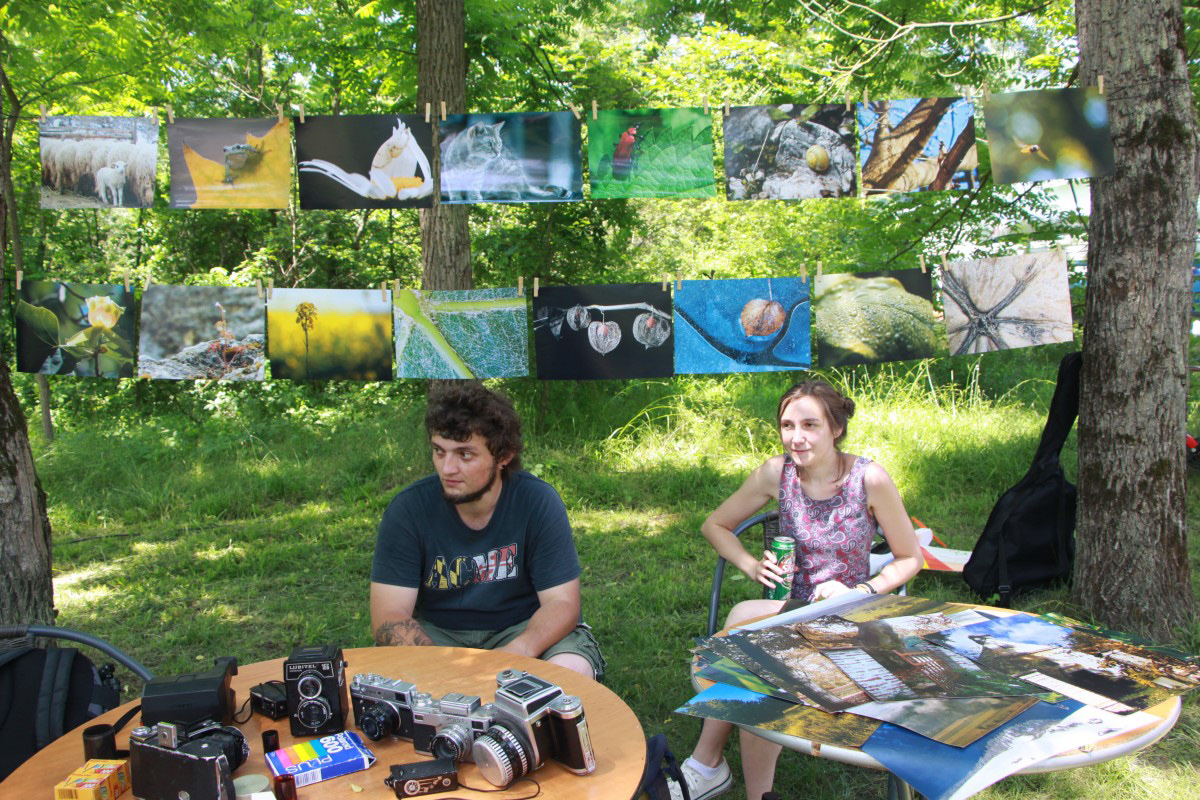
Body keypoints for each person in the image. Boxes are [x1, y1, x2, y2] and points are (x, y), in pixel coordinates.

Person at [672, 380, 921, 800]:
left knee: (748, 636)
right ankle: (720, 772)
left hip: (850, 617)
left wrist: (861, 589)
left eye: (810, 425)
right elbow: (715, 525)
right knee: (756, 651)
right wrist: (752, 564)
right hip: (792, 610)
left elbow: (910, 557)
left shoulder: (869, 479)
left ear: (836, 428)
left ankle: (707, 764)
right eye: (787, 426)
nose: (796, 437)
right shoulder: (778, 473)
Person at [369, 382, 604, 680]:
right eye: (439, 451)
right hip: (438, 636)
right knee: (398, 683)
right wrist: (439, 668)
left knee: (572, 671)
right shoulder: (408, 509)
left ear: (503, 456)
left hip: (524, 629)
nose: (447, 468)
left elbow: (562, 603)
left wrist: (516, 652)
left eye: (464, 455)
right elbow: (389, 616)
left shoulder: (537, 501)